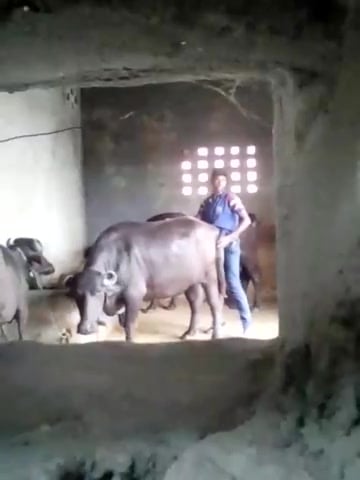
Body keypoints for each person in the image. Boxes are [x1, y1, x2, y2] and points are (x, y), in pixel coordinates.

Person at [196, 168, 252, 334]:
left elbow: (246, 220)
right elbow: (196, 221)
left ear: (226, 182)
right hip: (210, 246)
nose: (219, 183)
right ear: (211, 181)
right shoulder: (207, 202)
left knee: (232, 282)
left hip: (228, 244)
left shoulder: (230, 198)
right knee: (213, 284)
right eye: (216, 180)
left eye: (222, 180)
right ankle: (218, 321)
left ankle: (246, 322)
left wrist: (230, 237)